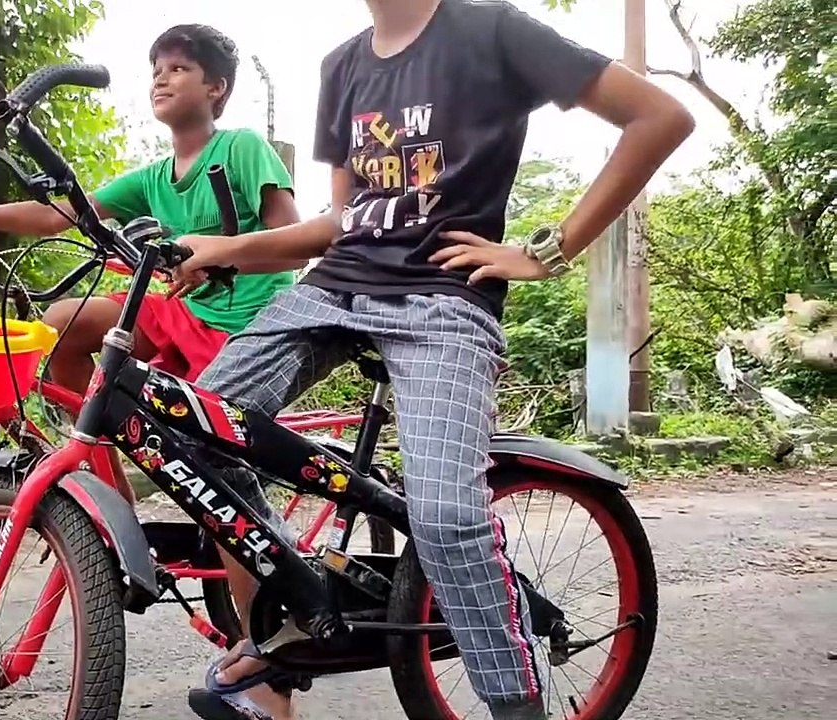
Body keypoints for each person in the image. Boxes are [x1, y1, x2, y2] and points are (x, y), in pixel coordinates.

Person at [173, 1, 694, 719]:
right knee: (187, 426)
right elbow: (343, 223)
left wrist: (547, 250)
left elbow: (660, 118)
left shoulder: (493, 32)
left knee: (446, 514)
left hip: (444, 300)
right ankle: (289, 626)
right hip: (336, 291)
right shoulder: (344, 64)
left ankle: (516, 703)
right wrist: (225, 249)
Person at [0, 24, 302, 501]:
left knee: (213, 473)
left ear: (217, 88)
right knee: (63, 324)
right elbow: (59, 215)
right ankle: (113, 499)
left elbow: (293, 240)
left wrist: (224, 262)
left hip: (251, 322)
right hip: (190, 314)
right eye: (156, 71)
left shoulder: (241, 148)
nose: (161, 79)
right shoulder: (152, 178)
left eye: (179, 68)